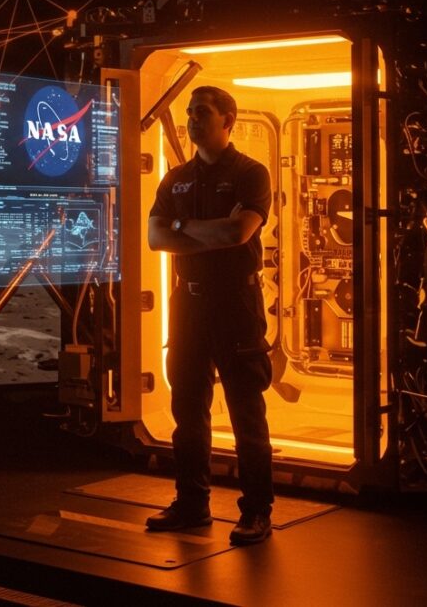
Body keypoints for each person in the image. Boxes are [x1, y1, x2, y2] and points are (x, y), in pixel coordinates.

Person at [144, 85, 274, 545]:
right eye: (189, 113)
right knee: (187, 410)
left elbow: (239, 232)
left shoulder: (251, 174)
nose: (191, 120)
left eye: (201, 113)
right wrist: (199, 230)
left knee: (245, 409)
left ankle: (257, 511)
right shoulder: (175, 177)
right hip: (189, 303)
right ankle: (192, 504)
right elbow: (156, 238)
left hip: (235, 304)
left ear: (228, 119)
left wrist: (184, 228)